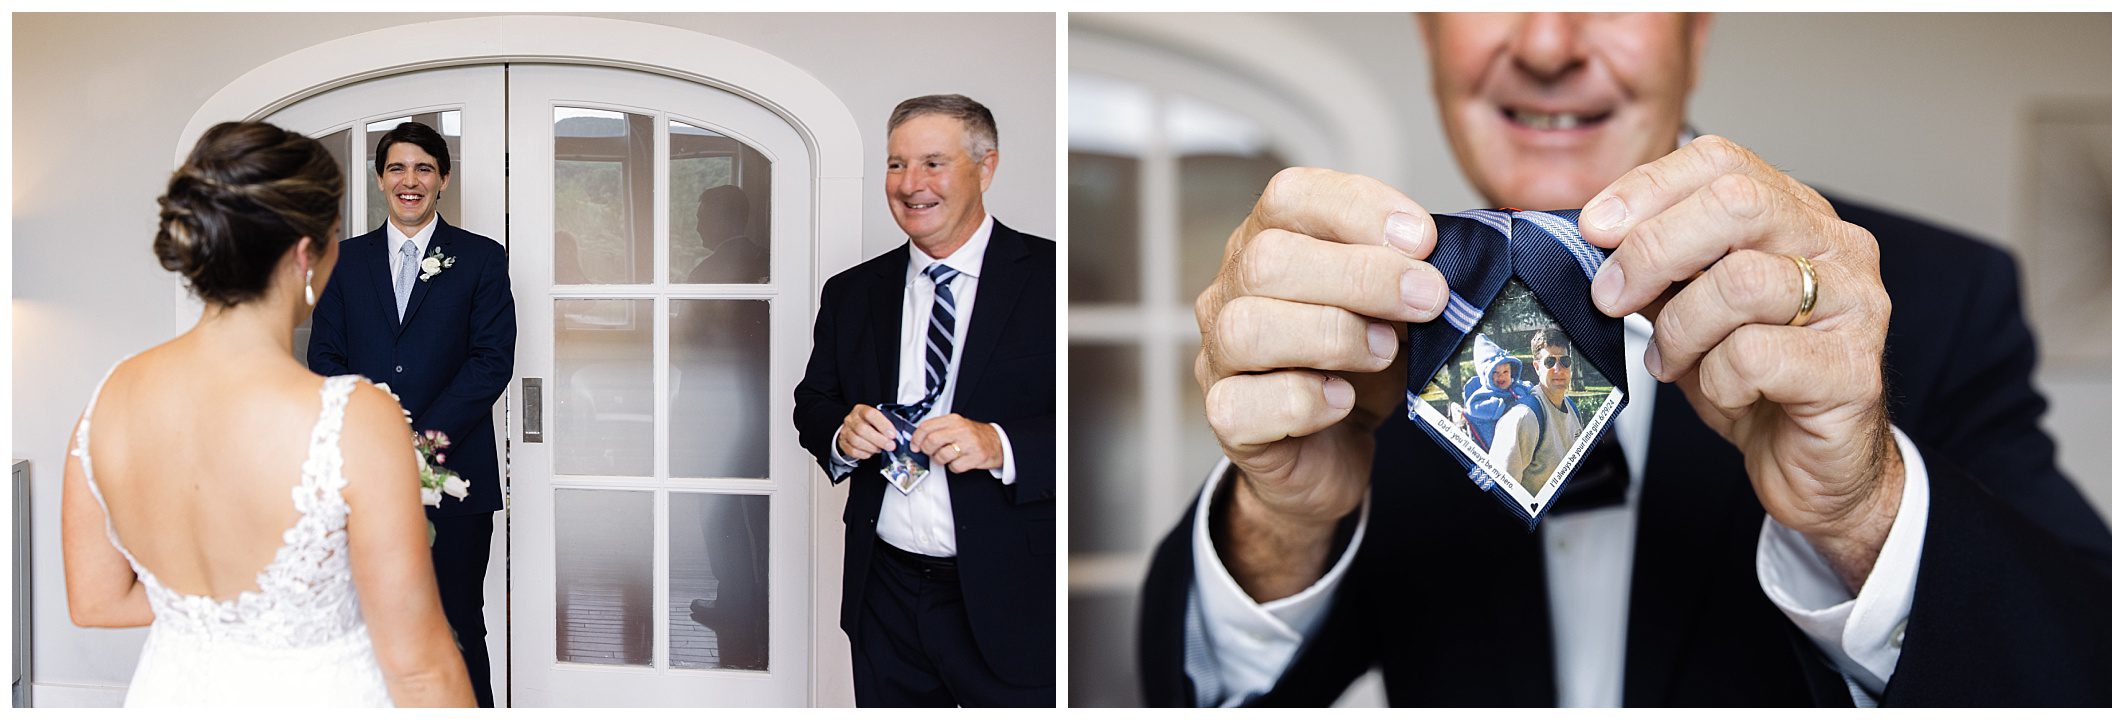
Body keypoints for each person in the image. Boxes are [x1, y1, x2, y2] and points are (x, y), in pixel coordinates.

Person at [1138, 12, 2108, 707]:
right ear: (1429, 31)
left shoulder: (1933, 296)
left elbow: (2086, 671)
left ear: (1698, 31)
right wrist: (1279, 524)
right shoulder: (1363, 321)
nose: (1549, 43)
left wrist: (1864, 512)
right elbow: (1199, 693)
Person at [61, 121, 474, 707]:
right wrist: (296, 597)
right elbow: (421, 673)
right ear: (307, 253)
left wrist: (216, 603)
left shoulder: (106, 402)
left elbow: (96, 602)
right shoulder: (355, 419)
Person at [794, 94, 1055, 707]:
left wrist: (1003, 444)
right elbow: (815, 403)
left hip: (1014, 598)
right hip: (883, 594)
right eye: (896, 165)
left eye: (933, 163)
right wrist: (841, 432)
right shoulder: (852, 292)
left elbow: (1100, 425)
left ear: (985, 167)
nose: (911, 185)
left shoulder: (1055, 279)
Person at [307, 121, 516, 707]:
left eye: (424, 168)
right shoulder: (344, 262)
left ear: (443, 180)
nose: (410, 180)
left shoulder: (480, 259)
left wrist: (419, 439)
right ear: (379, 180)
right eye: (397, 168)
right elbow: (325, 357)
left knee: (456, 624)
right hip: (363, 479)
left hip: (455, 480)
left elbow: (490, 363)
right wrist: (376, 431)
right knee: (363, 625)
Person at [1487, 329, 1582, 494]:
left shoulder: (1573, 408)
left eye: (1564, 361)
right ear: (1537, 367)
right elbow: (1501, 492)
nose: (1558, 369)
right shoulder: (1523, 417)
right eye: (1550, 362)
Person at [686, 183, 769, 284]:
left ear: (723, 221)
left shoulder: (701, 276)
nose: (698, 228)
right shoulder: (772, 263)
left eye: (703, 220)